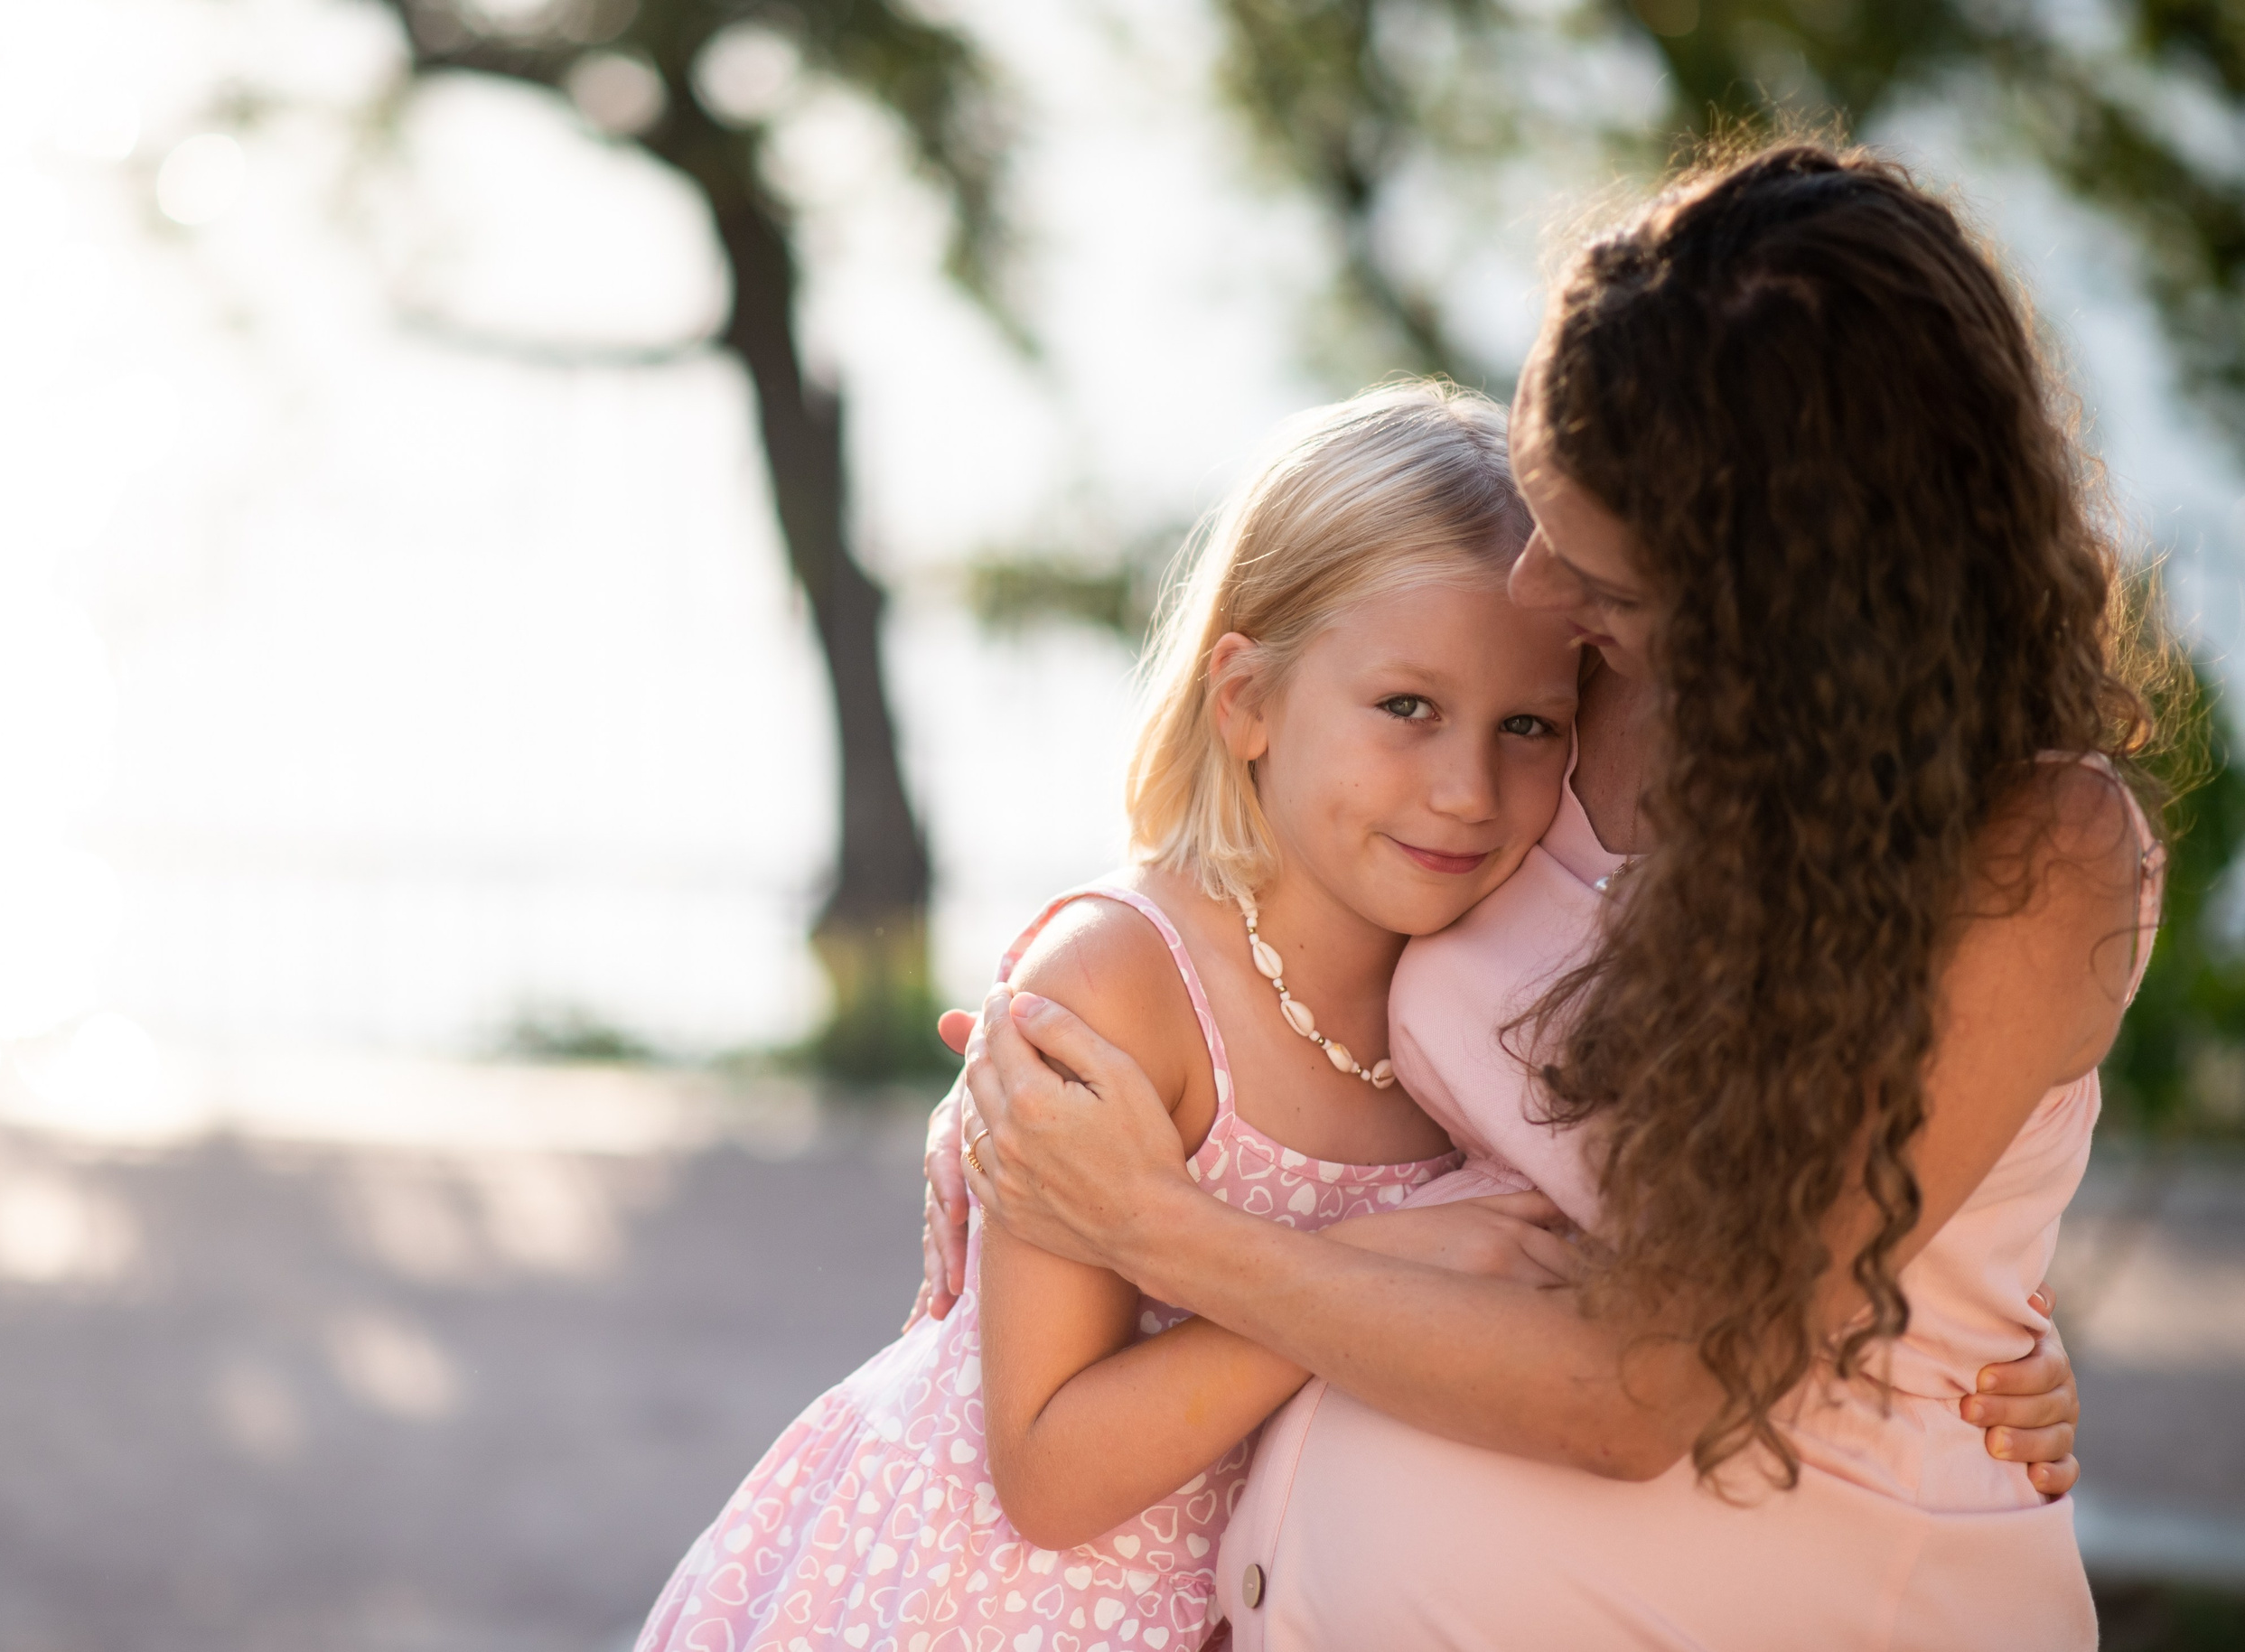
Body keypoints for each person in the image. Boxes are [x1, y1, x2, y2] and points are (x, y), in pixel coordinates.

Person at [940, 144, 2142, 1648]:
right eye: (1545, 514)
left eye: (1606, 577)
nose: (1538, 598)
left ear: (1790, 598)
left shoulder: (2028, 851)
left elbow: (1657, 1386)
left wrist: (1151, 1225)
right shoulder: (1574, 680)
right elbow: (1300, 865)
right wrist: (1033, 1075)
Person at [635, 384, 1597, 1652]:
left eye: (1528, 724)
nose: (1468, 788)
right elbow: (1049, 1469)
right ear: (1245, 699)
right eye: (1406, 707)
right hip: (984, 1609)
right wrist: (1395, 1265)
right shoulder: (1123, 985)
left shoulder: (1478, 1004)